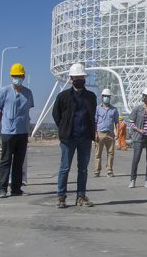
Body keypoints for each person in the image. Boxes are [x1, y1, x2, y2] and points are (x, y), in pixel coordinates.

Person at [52, 63, 97, 208]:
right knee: (65, 168)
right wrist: (64, 128)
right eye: (76, 77)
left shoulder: (91, 97)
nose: (79, 79)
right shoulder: (63, 96)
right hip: (68, 138)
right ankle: (61, 197)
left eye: (81, 77)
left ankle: (81, 196)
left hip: (84, 138)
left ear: (84, 78)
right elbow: (56, 115)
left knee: (83, 169)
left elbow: (92, 115)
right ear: (71, 79)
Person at [0, 63, 34, 199]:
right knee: (6, 161)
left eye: (20, 76)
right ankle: (2, 188)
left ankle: (16, 188)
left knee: (18, 162)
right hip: (8, 133)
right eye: (15, 76)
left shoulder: (28, 93)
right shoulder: (4, 91)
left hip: (22, 132)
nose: (18, 78)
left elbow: (27, 110)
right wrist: (4, 122)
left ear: (23, 76)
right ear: (11, 77)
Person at [94, 88, 119, 177]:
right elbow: (95, 121)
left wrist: (117, 132)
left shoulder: (114, 109)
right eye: (105, 96)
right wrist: (95, 133)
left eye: (108, 96)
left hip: (110, 134)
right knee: (98, 154)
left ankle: (109, 170)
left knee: (111, 153)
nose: (106, 98)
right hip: (100, 133)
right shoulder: (97, 108)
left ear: (110, 98)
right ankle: (97, 171)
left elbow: (116, 122)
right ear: (102, 97)